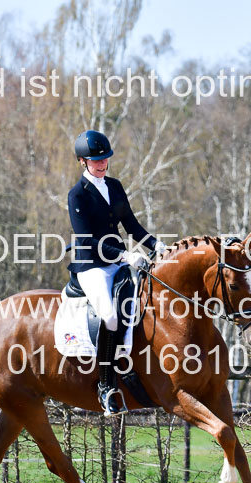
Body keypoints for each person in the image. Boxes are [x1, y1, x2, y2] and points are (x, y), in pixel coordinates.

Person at [67, 129, 168, 415]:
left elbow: (132, 226)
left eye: (104, 159)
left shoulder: (114, 186)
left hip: (119, 262)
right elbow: (87, 240)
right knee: (110, 316)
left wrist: (158, 246)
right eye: (95, 160)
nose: (101, 164)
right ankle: (106, 386)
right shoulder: (77, 195)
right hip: (92, 266)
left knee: (145, 305)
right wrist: (124, 254)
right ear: (82, 162)